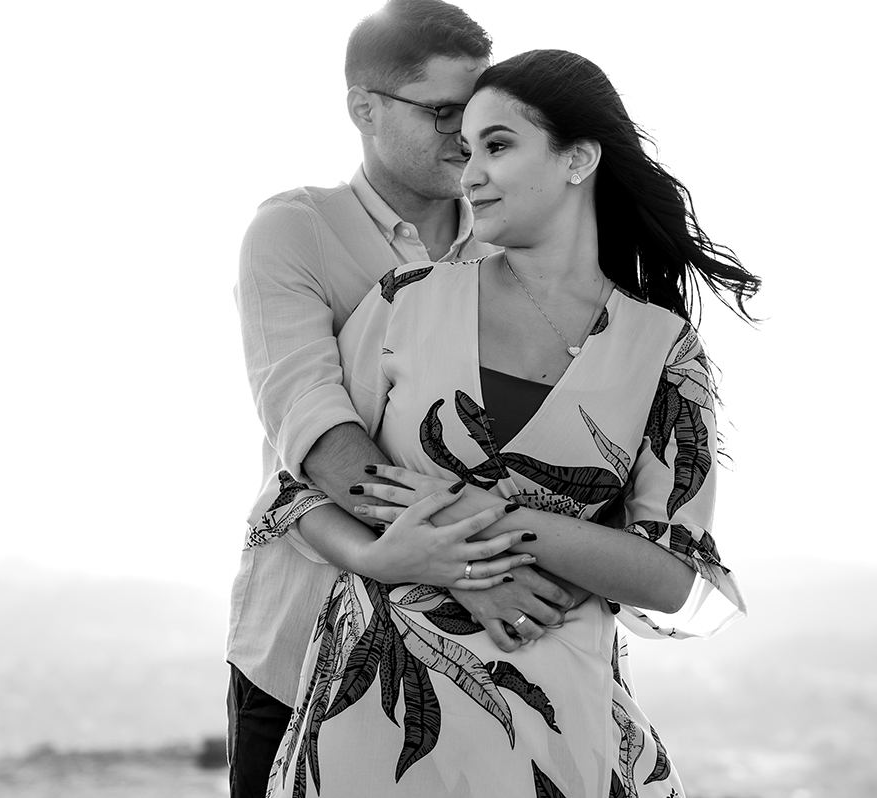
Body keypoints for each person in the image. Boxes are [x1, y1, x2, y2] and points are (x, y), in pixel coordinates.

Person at [264, 49, 760, 797]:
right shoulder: (407, 299)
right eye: (466, 150)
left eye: (497, 145)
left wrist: (491, 520)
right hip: (373, 722)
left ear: (578, 159)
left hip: (556, 727)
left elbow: (675, 577)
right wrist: (389, 559)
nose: (470, 174)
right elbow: (295, 495)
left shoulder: (663, 350)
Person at [229, 3, 581, 796]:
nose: (467, 135)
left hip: (487, 663)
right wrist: (474, 566)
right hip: (305, 649)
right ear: (365, 109)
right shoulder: (294, 232)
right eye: (444, 112)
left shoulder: (518, 242)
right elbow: (320, 436)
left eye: (481, 111)